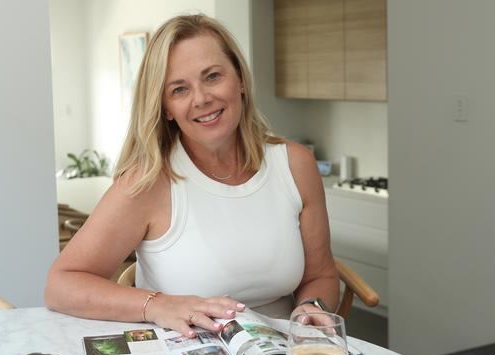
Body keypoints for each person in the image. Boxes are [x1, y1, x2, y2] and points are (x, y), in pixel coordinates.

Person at [45, 14, 339, 337]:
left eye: (212, 76)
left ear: (240, 79)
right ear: (166, 107)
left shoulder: (296, 165)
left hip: (280, 352)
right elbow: (61, 284)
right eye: (179, 89)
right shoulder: (149, 182)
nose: (201, 99)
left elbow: (321, 275)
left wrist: (312, 307)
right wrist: (157, 305)